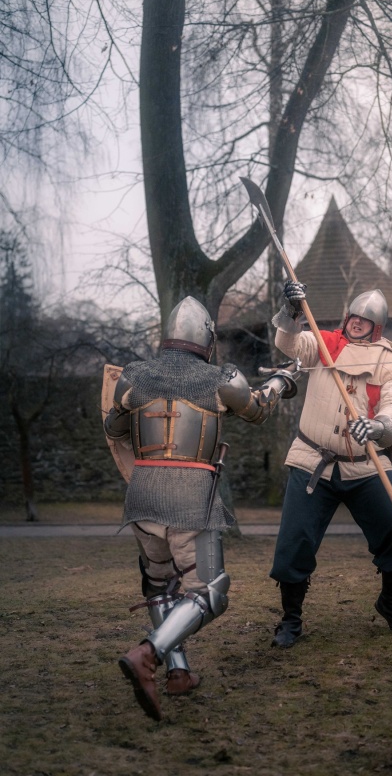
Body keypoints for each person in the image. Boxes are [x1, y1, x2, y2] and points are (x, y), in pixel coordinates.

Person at [104, 296, 299, 720]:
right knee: (211, 592)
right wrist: (283, 381)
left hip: (142, 494)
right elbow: (258, 410)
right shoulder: (220, 377)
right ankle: (149, 653)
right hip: (192, 496)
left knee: (159, 587)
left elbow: (113, 427)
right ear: (207, 339)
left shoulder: (134, 376)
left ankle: (179, 674)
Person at [269, 281, 392, 649]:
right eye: (354, 316)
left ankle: (390, 602)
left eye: (365, 320)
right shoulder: (324, 344)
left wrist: (379, 426)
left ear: (376, 328)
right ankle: (291, 619)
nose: (357, 322)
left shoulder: (390, 364)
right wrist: (290, 311)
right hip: (312, 461)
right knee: (294, 540)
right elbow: (289, 343)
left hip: (366, 464)